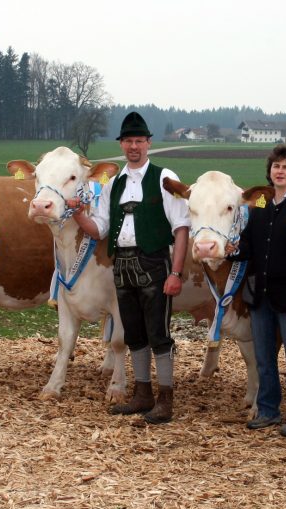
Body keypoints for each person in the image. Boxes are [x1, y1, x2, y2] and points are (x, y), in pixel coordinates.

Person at [71, 111, 189, 424]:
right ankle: (142, 394)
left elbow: (181, 228)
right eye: (128, 141)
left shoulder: (164, 178)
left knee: (159, 333)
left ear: (148, 143)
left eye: (139, 140)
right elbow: (99, 229)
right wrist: (79, 215)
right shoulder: (114, 184)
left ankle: (165, 399)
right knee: (134, 333)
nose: (133, 146)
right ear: (121, 144)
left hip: (154, 263)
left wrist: (176, 273)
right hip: (122, 265)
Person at [227, 144, 286, 438]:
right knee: (264, 356)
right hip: (260, 294)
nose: (280, 171)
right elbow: (249, 244)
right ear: (270, 171)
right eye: (276, 166)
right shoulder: (261, 204)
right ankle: (268, 409)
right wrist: (233, 250)